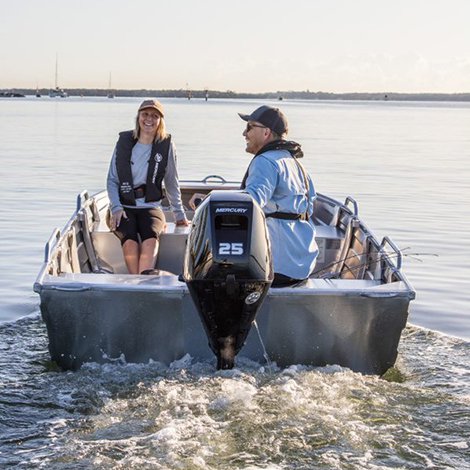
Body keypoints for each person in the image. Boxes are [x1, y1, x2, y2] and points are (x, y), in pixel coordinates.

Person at [237, 105, 318, 287]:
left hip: (275, 268)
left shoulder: (264, 162)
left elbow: (250, 205)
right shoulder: (296, 165)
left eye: (249, 127)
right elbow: (310, 208)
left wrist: (207, 202)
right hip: (302, 267)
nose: (244, 133)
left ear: (266, 132)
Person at [106, 99, 188, 274]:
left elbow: (172, 182)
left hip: (150, 206)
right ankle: (137, 282)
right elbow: (112, 180)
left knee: (150, 237)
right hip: (123, 206)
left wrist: (179, 214)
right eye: (145, 114)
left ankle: (143, 281)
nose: (149, 119)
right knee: (129, 239)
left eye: (154, 115)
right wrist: (116, 207)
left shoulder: (166, 146)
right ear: (138, 117)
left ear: (160, 121)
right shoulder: (124, 143)